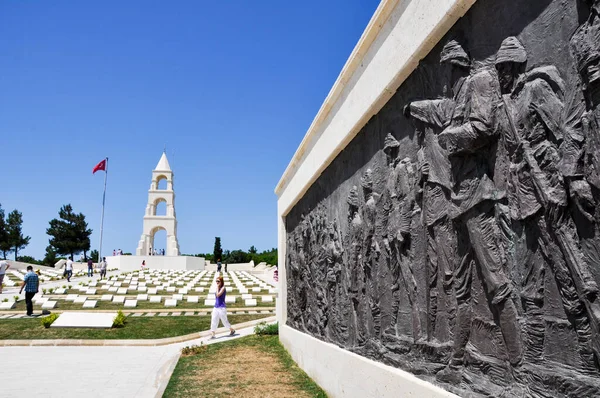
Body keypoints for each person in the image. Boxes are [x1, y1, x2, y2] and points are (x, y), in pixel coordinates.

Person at [434, 40, 523, 383]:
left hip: (478, 199)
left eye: (448, 69)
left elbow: (484, 127)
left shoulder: (480, 80)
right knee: (461, 288)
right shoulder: (456, 95)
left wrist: (448, 139)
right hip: (460, 203)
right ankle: (456, 364)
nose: (446, 77)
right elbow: (439, 110)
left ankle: (519, 371)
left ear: (456, 66)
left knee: (496, 282)